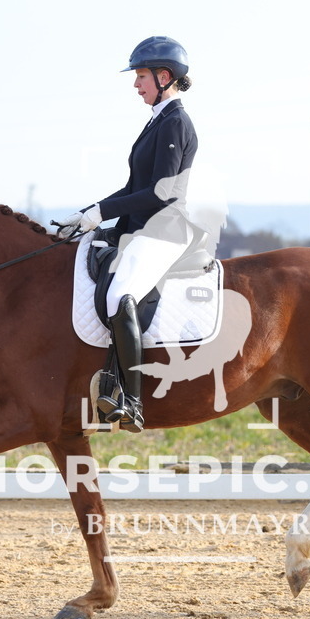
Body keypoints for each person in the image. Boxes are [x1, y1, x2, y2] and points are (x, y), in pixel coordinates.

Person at [59, 36, 198, 433]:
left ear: (164, 76)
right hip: (140, 229)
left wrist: (103, 212)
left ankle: (132, 400)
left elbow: (160, 191)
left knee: (122, 295)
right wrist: (90, 214)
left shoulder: (175, 122)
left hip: (163, 230)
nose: (136, 85)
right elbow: (133, 186)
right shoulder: (157, 120)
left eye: (141, 77)